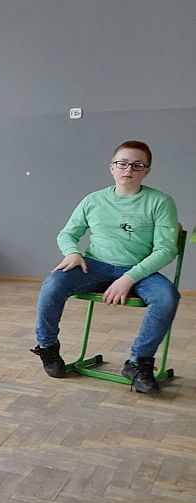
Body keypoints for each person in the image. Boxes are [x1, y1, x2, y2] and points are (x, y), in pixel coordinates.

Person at [31, 140, 179, 395]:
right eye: (122, 163)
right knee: (53, 283)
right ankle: (48, 347)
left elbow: (166, 249)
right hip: (95, 266)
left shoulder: (160, 202)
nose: (128, 169)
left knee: (167, 297)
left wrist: (129, 278)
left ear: (147, 171)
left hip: (139, 270)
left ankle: (138, 363)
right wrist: (73, 252)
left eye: (137, 165)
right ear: (112, 167)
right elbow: (67, 234)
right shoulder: (94, 200)